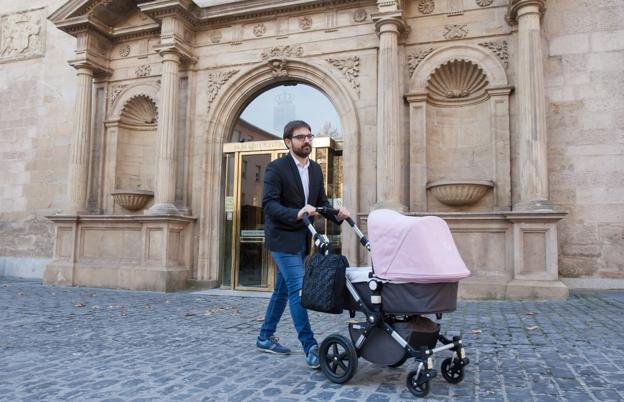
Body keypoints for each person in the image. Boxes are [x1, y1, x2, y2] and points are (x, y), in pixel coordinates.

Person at [256, 120, 349, 368]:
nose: (307, 140)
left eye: (309, 136)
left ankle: (265, 336)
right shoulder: (277, 168)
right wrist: (296, 213)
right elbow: (270, 205)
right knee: (299, 290)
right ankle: (310, 346)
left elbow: (320, 202)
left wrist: (335, 214)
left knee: (283, 290)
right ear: (288, 142)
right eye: (301, 137)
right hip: (282, 238)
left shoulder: (316, 169)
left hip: (302, 239)